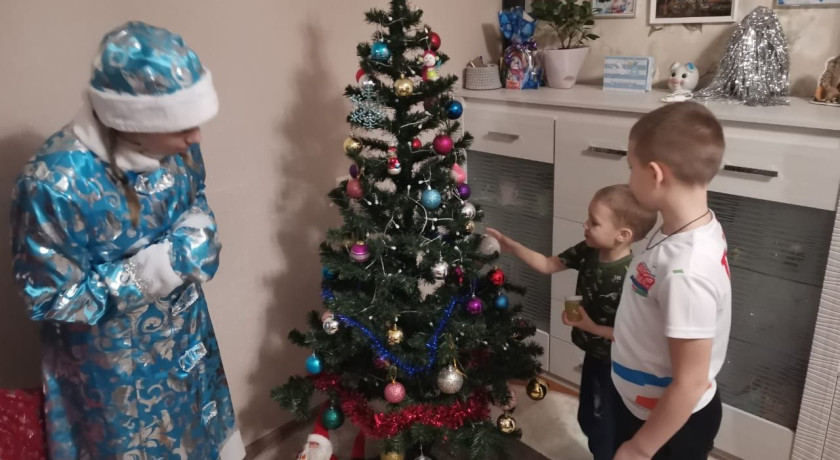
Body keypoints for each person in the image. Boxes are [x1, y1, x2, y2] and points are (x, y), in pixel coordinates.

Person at [10, 21, 244, 460]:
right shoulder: (54, 184)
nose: (195, 138)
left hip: (189, 343)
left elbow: (194, 196)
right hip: (113, 374)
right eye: (181, 126)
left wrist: (197, 228)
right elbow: (50, 298)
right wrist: (159, 268)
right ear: (132, 120)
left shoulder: (179, 148)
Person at [486, 184, 656, 460]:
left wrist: (591, 327)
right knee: (587, 417)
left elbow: (634, 334)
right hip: (593, 353)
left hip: (619, 364)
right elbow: (547, 264)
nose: (585, 225)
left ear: (623, 235)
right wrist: (511, 246)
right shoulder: (588, 250)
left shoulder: (632, 275)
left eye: (594, 222)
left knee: (606, 426)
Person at [612, 102, 732, 460]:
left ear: (655, 174)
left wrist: (639, 448)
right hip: (644, 404)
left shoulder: (687, 271)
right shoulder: (689, 226)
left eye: (630, 167)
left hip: (666, 426)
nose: (629, 178)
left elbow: (691, 381)